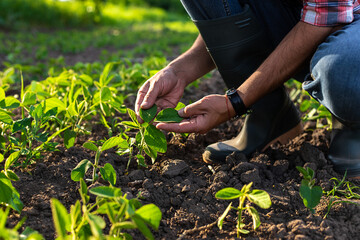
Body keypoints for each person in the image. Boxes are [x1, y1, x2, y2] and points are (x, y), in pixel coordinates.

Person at [135, 0, 360, 178]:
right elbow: (234, 14)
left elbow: (328, 16)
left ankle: (352, 122)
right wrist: (178, 71)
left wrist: (235, 102)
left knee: (342, 73)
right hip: (310, 17)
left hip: (350, 26)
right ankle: (270, 114)